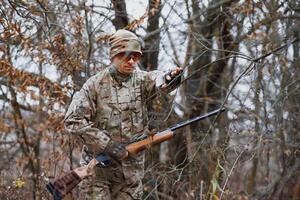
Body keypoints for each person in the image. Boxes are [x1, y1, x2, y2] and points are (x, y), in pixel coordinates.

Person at [64, 29, 182, 200]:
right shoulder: (94, 85)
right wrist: (107, 145)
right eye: (127, 56)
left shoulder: (142, 81)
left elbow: (159, 80)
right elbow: (72, 122)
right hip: (99, 172)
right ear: (114, 55)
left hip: (130, 176)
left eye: (136, 56)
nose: (132, 61)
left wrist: (169, 77)